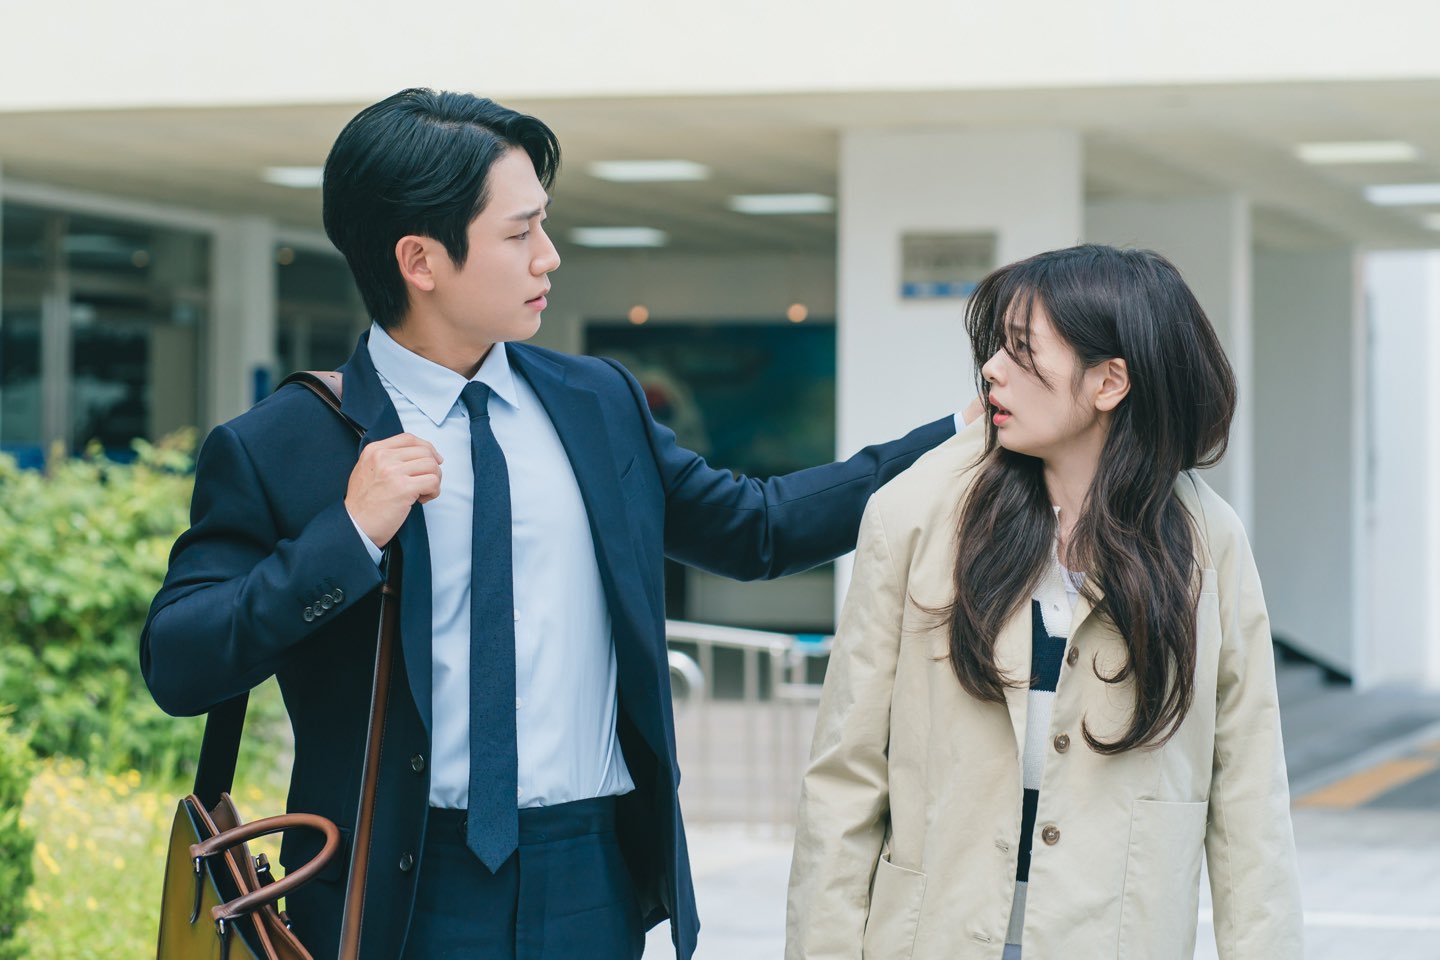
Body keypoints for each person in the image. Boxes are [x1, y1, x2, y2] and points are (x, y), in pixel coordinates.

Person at [140, 88, 965, 960]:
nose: (550, 256)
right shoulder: (283, 444)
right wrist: (345, 536)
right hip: (395, 891)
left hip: (591, 878)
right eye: (519, 232)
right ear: (420, 259)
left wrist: (963, 440)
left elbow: (756, 529)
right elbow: (181, 664)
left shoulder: (596, 402)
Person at [786, 244, 1302, 959]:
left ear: (1109, 381)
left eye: (1022, 349)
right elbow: (846, 779)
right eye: (997, 344)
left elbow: (1250, 797)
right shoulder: (916, 512)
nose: (992, 369)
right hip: (935, 935)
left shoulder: (1208, 541)